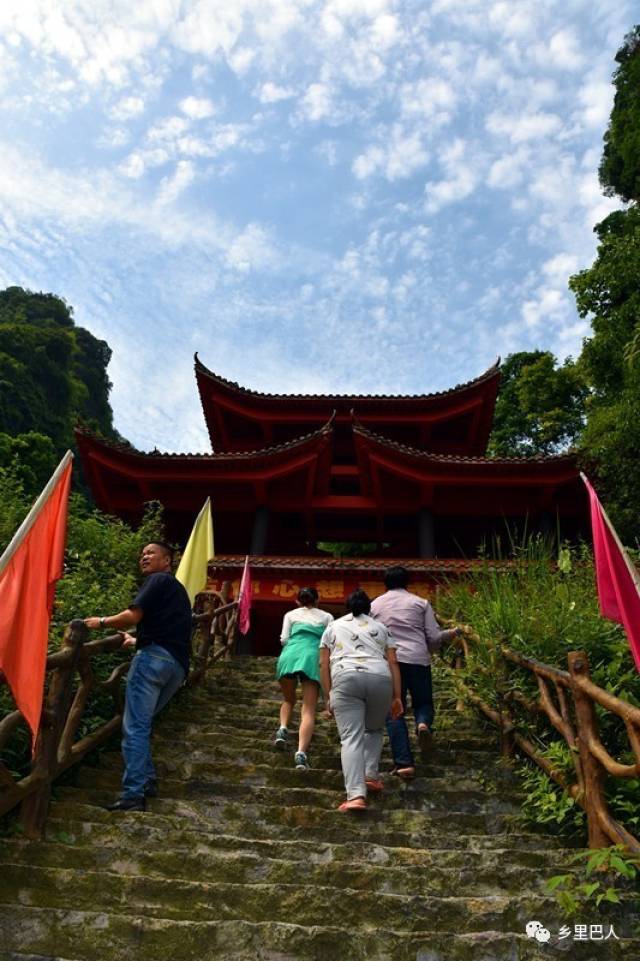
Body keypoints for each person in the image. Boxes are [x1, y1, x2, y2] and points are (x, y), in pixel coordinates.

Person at [84, 541, 192, 812]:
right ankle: (147, 781)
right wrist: (138, 640)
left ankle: (133, 793)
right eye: (142, 554)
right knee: (142, 723)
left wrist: (101, 622)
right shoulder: (178, 591)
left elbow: (132, 615)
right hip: (175, 667)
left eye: (150, 553)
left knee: (135, 727)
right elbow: (168, 627)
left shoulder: (157, 580)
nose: (144, 557)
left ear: (167, 560)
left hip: (152, 662)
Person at [370, 565, 462, 778]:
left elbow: (372, 637)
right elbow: (433, 637)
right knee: (423, 702)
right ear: (407, 583)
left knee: (394, 711)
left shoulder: (374, 605)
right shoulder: (421, 603)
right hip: (418, 658)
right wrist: (453, 633)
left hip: (388, 661)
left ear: (385, 583)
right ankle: (422, 723)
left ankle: (404, 764)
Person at [319, 589, 403, 812]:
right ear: (369, 608)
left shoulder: (332, 627)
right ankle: (370, 775)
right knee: (374, 729)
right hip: (380, 678)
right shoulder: (381, 628)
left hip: (345, 678)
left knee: (351, 737)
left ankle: (356, 795)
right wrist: (397, 696)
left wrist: (329, 696)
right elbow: (393, 662)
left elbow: (323, 664)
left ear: (347, 606)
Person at [274, 586, 333, 771]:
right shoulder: (327, 617)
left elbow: (284, 639)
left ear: (298, 601)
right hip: (311, 658)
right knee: (308, 709)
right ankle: (300, 753)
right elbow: (329, 643)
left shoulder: (290, 614)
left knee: (288, 699)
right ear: (318, 600)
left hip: (290, 655)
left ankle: (283, 728)